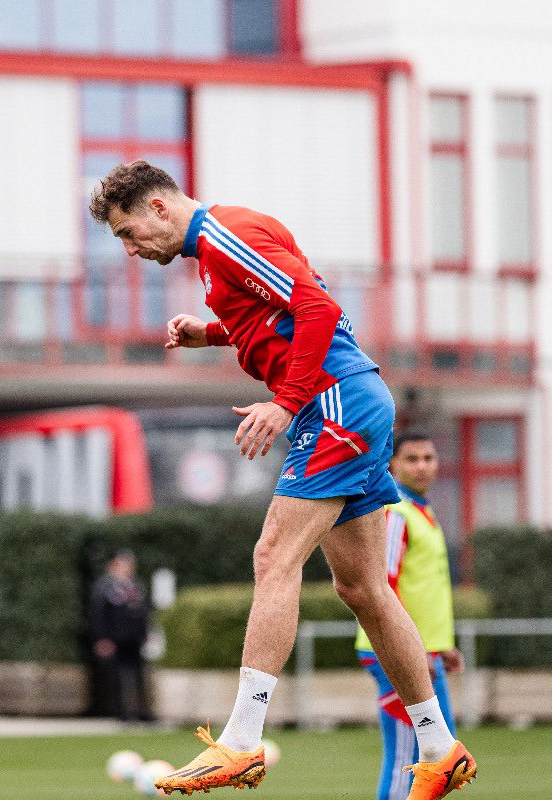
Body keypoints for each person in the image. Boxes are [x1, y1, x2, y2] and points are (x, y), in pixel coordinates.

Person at [88, 160, 476, 799]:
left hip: (333, 402)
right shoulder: (220, 247)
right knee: (363, 588)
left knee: (274, 557)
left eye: (128, 233)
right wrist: (211, 334)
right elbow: (280, 310)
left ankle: (242, 741)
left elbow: (317, 306)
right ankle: (439, 747)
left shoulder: (224, 237)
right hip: (353, 399)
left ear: (158, 207)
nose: (130, 250)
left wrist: (287, 402)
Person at [355, 430, 465, 800]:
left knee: (442, 759)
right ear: (393, 464)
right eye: (412, 458)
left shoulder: (421, 509)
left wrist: (441, 646)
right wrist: (412, 651)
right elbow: (383, 586)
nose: (422, 466)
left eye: (428, 458)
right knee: (410, 754)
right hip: (397, 651)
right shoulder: (397, 511)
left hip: (423, 651)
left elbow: (424, 588)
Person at [89, 549, 153, 722]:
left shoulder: (137, 587)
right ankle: (121, 712)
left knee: (139, 675)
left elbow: (143, 613)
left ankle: (141, 711)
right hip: (115, 639)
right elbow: (98, 615)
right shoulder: (104, 588)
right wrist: (102, 638)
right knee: (117, 676)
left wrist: (145, 633)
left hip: (134, 639)